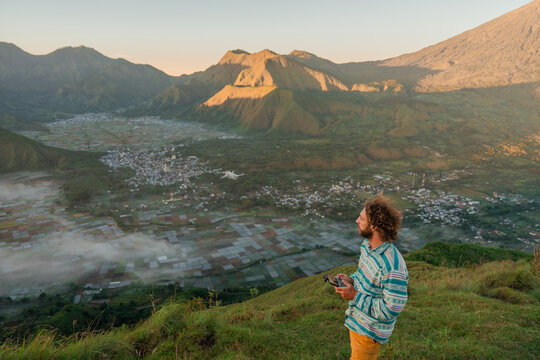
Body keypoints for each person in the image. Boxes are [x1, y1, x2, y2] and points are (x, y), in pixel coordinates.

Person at [334, 194, 408, 360]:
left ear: (374, 225)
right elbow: (364, 276)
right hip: (357, 322)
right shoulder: (367, 247)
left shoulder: (392, 266)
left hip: (369, 331)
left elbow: (391, 309)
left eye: (361, 218)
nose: (356, 221)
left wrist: (354, 296)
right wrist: (350, 280)